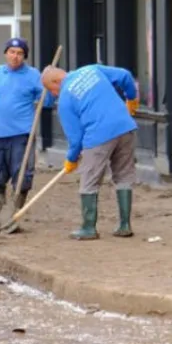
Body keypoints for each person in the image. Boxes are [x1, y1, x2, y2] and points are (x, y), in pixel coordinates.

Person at [41, 64, 139, 240]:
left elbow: (76, 138)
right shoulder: (92, 70)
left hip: (98, 135)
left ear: (56, 81)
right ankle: (125, 225)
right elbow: (125, 75)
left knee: (89, 180)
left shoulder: (65, 100)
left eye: (52, 90)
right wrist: (131, 99)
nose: (54, 95)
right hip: (125, 127)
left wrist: (71, 159)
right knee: (123, 176)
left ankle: (88, 227)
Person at [0, 38, 51, 235]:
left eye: (20, 53)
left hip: (21, 134)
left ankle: (12, 219)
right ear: (5, 53)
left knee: (22, 176)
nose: (15, 56)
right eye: (12, 52)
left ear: (24, 56)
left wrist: (48, 82)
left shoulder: (34, 75)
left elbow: (47, 101)